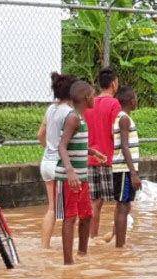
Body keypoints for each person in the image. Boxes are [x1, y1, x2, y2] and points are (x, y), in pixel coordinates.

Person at [55, 81, 107, 265]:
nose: (95, 98)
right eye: (93, 95)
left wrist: (92, 152)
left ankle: (82, 254)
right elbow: (62, 145)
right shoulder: (73, 118)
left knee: (87, 215)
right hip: (70, 178)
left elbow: (75, 144)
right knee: (70, 218)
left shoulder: (81, 118)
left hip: (81, 178)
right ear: (86, 98)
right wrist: (70, 171)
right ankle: (68, 263)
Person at [37, 72, 77, 249]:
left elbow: (40, 135)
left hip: (46, 162)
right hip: (59, 166)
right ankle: (68, 250)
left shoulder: (50, 109)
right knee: (67, 212)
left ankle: (44, 248)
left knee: (51, 208)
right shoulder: (69, 113)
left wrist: (48, 148)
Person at [85, 67, 121, 239]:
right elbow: (117, 132)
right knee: (120, 200)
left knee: (95, 202)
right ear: (113, 84)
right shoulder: (114, 104)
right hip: (109, 158)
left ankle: (91, 238)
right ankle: (116, 235)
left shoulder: (90, 103)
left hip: (90, 159)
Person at [106, 86, 142, 248]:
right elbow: (125, 147)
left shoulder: (124, 117)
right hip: (123, 170)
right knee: (122, 206)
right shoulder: (124, 119)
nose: (136, 101)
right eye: (135, 98)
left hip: (127, 169)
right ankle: (119, 246)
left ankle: (121, 242)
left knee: (126, 205)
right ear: (130, 101)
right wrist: (133, 173)